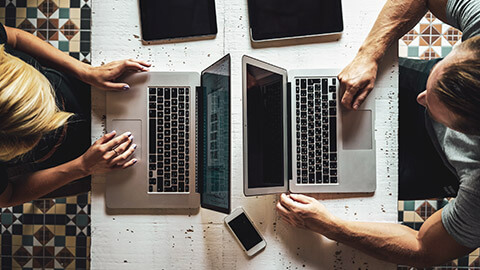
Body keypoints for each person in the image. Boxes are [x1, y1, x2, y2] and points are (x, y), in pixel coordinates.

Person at [276, 0, 480, 267]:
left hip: (433, 165)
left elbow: (425, 249)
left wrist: (328, 226)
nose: (421, 100)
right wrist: (368, 54)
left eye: (431, 104)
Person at [0, 23, 150, 207]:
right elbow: (7, 196)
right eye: (45, 119)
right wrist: (82, 167)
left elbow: (13, 36)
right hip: (65, 159)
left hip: (75, 86)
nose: (58, 112)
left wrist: (85, 71)